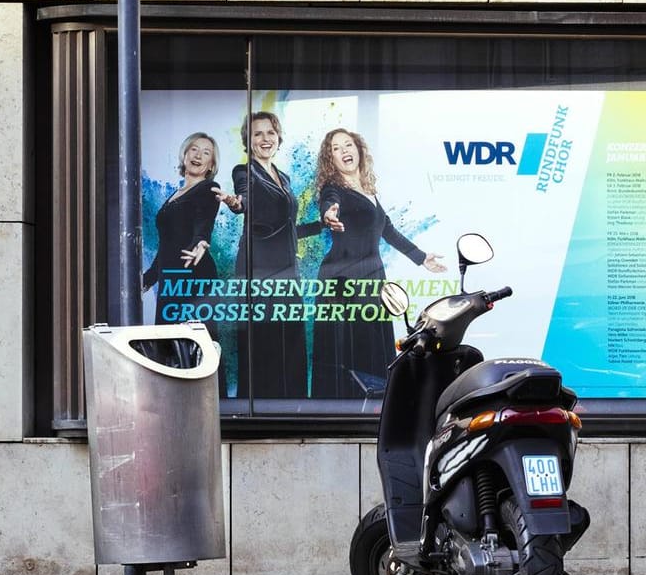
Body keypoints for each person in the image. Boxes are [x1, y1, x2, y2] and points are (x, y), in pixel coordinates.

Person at [214, 111, 344, 399]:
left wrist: (322, 223)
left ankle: (291, 406)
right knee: (262, 341)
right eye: (257, 133)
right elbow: (244, 196)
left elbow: (287, 229)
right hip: (258, 268)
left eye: (270, 132)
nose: (265, 139)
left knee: (290, 342)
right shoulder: (243, 171)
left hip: (286, 269)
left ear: (278, 138)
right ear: (248, 140)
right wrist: (238, 204)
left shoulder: (282, 177)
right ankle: (260, 409)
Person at [309, 128, 446, 399]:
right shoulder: (333, 188)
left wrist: (421, 257)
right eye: (335, 148)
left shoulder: (367, 189)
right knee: (350, 348)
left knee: (370, 344)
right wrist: (329, 213)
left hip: (371, 276)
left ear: (359, 149)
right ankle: (346, 410)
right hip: (343, 279)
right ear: (330, 159)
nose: (344, 151)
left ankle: (373, 407)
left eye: (348, 144)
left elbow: (388, 230)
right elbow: (329, 204)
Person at [143, 132, 222, 328]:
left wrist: (201, 241)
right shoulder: (175, 194)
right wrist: (148, 279)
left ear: (211, 165)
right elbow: (168, 243)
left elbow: (205, 218)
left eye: (206, 153)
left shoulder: (209, 188)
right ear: (184, 155)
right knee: (168, 343)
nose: (198, 156)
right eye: (194, 149)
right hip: (170, 276)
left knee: (194, 347)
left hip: (193, 275)